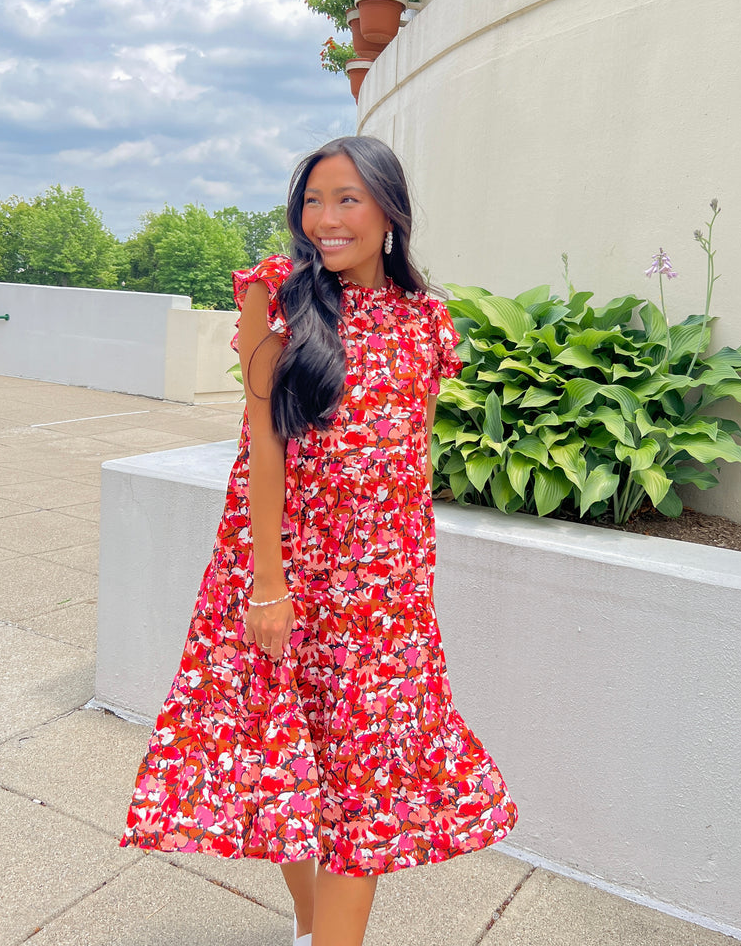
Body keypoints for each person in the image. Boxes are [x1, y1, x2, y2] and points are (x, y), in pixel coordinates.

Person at [120, 136, 517, 946]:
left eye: (347, 200)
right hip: (285, 569)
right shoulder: (277, 295)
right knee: (282, 757)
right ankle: (312, 925)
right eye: (313, 200)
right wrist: (268, 581)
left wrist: (408, 578)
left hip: (384, 587)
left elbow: (414, 453)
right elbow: (263, 444)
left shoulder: (427, 318)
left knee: (364, 776)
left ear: (390, 213)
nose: (325, 220)